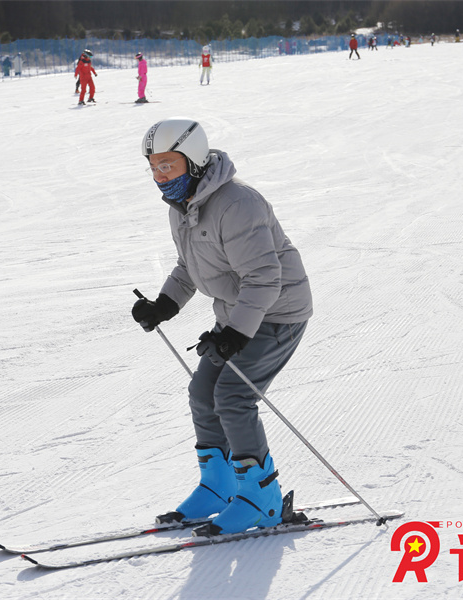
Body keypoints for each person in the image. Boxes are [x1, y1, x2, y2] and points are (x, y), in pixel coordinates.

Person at [132, 118, 313, 536]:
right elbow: (190, 267)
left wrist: (234, 335)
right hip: (240, 313)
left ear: (192, 160)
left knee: (233, 397)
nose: (160, 176)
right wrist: (163, 305)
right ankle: (220, 486)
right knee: (202, 392)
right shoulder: (183, 207)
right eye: (154, 167)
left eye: (168, 165)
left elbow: (266, 279)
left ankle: (263, 498)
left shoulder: (237, 203)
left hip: (278, 312)